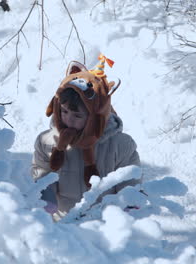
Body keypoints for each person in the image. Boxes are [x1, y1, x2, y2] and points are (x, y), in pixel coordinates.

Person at [31, 55, 141, 221]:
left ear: (95, 117)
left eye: (77, 115)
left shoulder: (120, 145)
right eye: (64, 112)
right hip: (63, 223)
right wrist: (45, 198)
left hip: (104, 224)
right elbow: (41, 173)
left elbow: (129, 180)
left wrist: (128, 205)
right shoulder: (47, 141)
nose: (68, 119)